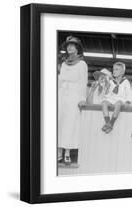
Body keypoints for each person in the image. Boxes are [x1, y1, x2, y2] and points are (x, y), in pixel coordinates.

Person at [58, 36, 88, 165]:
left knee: (70, 123)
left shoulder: (82, 64)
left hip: (74, 95)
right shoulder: (63, 63)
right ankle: (59, 151)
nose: (69, 47)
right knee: (59, 121)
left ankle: (67, 153)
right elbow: (60, 80)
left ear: (77, 49)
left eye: (72, 45)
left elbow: (83, 82)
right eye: (68, 45)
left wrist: (82, 98)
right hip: (62, 94)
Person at [101, 62, 132, 134]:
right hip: (111, 98)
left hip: (120, 99)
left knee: (118, 104)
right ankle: (108, 122)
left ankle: (111, 123)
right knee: (104, 103)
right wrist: (107, 86)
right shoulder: (111, 82)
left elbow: (129, 92)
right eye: (113, 69)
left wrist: (128, 101)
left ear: (122, 72)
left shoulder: (125, 82)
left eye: (117, 69)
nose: (114, 71)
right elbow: (107, 93)